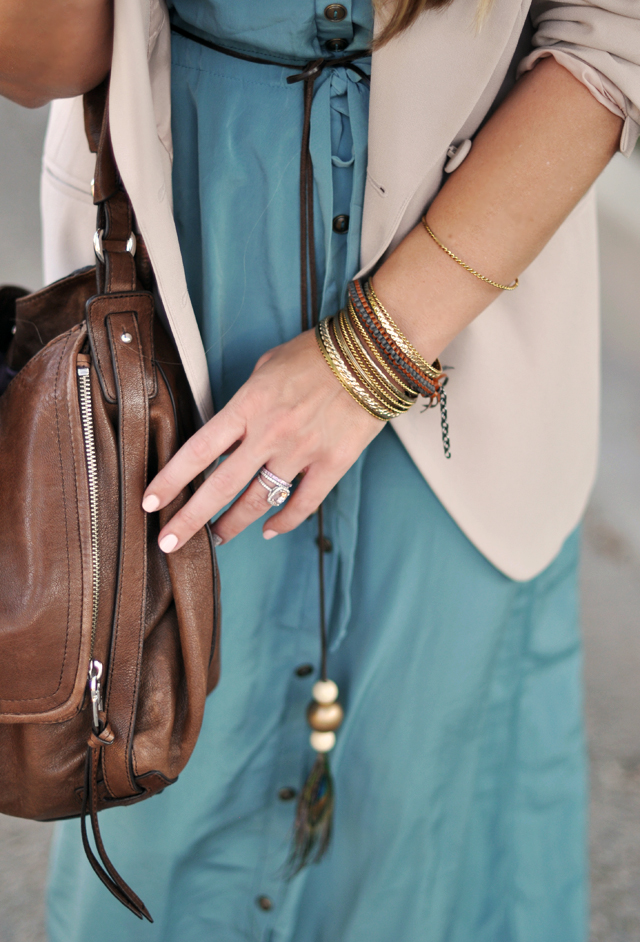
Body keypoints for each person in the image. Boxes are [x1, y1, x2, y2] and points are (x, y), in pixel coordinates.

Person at [2, 0, 640, 939]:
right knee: (166, 789)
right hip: (176, 312)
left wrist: (368, 360)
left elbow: (610, 33)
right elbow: (40, 63)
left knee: (422, 814)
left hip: (468, 319)